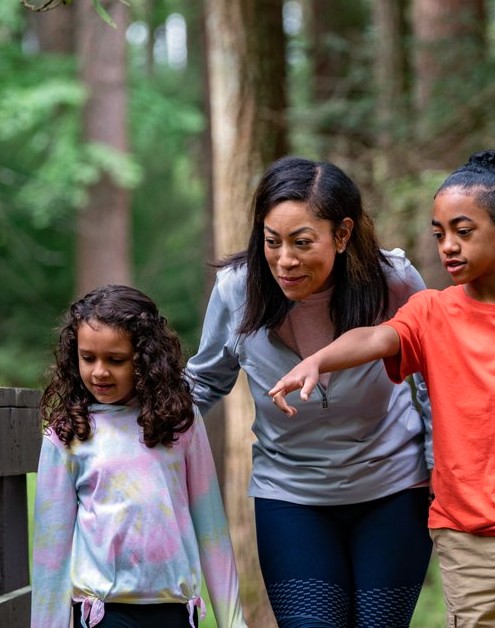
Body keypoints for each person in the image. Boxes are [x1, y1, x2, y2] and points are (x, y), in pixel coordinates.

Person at [269, 149, 495, 627]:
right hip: (463, 539)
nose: (447, 246)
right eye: (439, 235)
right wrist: (317, 359)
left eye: (463, 231)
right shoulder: (431, 312)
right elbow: (375, 336)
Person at [186, 156, 433, 628]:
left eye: (302, 243)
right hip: (290, 495)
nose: (284, 260)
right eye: (271, 242)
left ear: (342, 235)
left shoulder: (394, 281)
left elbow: (431, 382)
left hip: (393, 488)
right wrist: (122, 419)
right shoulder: (237, 290)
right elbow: (203, 381)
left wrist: (442, 470)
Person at [31, 285, 246, 628]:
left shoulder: (180, 423)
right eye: (88, 358)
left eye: (115, 360)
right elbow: (49, 554)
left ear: (145, 359)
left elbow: (212, 529)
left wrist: (234, 622)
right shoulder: (67, 433)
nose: (99, 372)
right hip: (103, 613)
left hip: (175, 611)